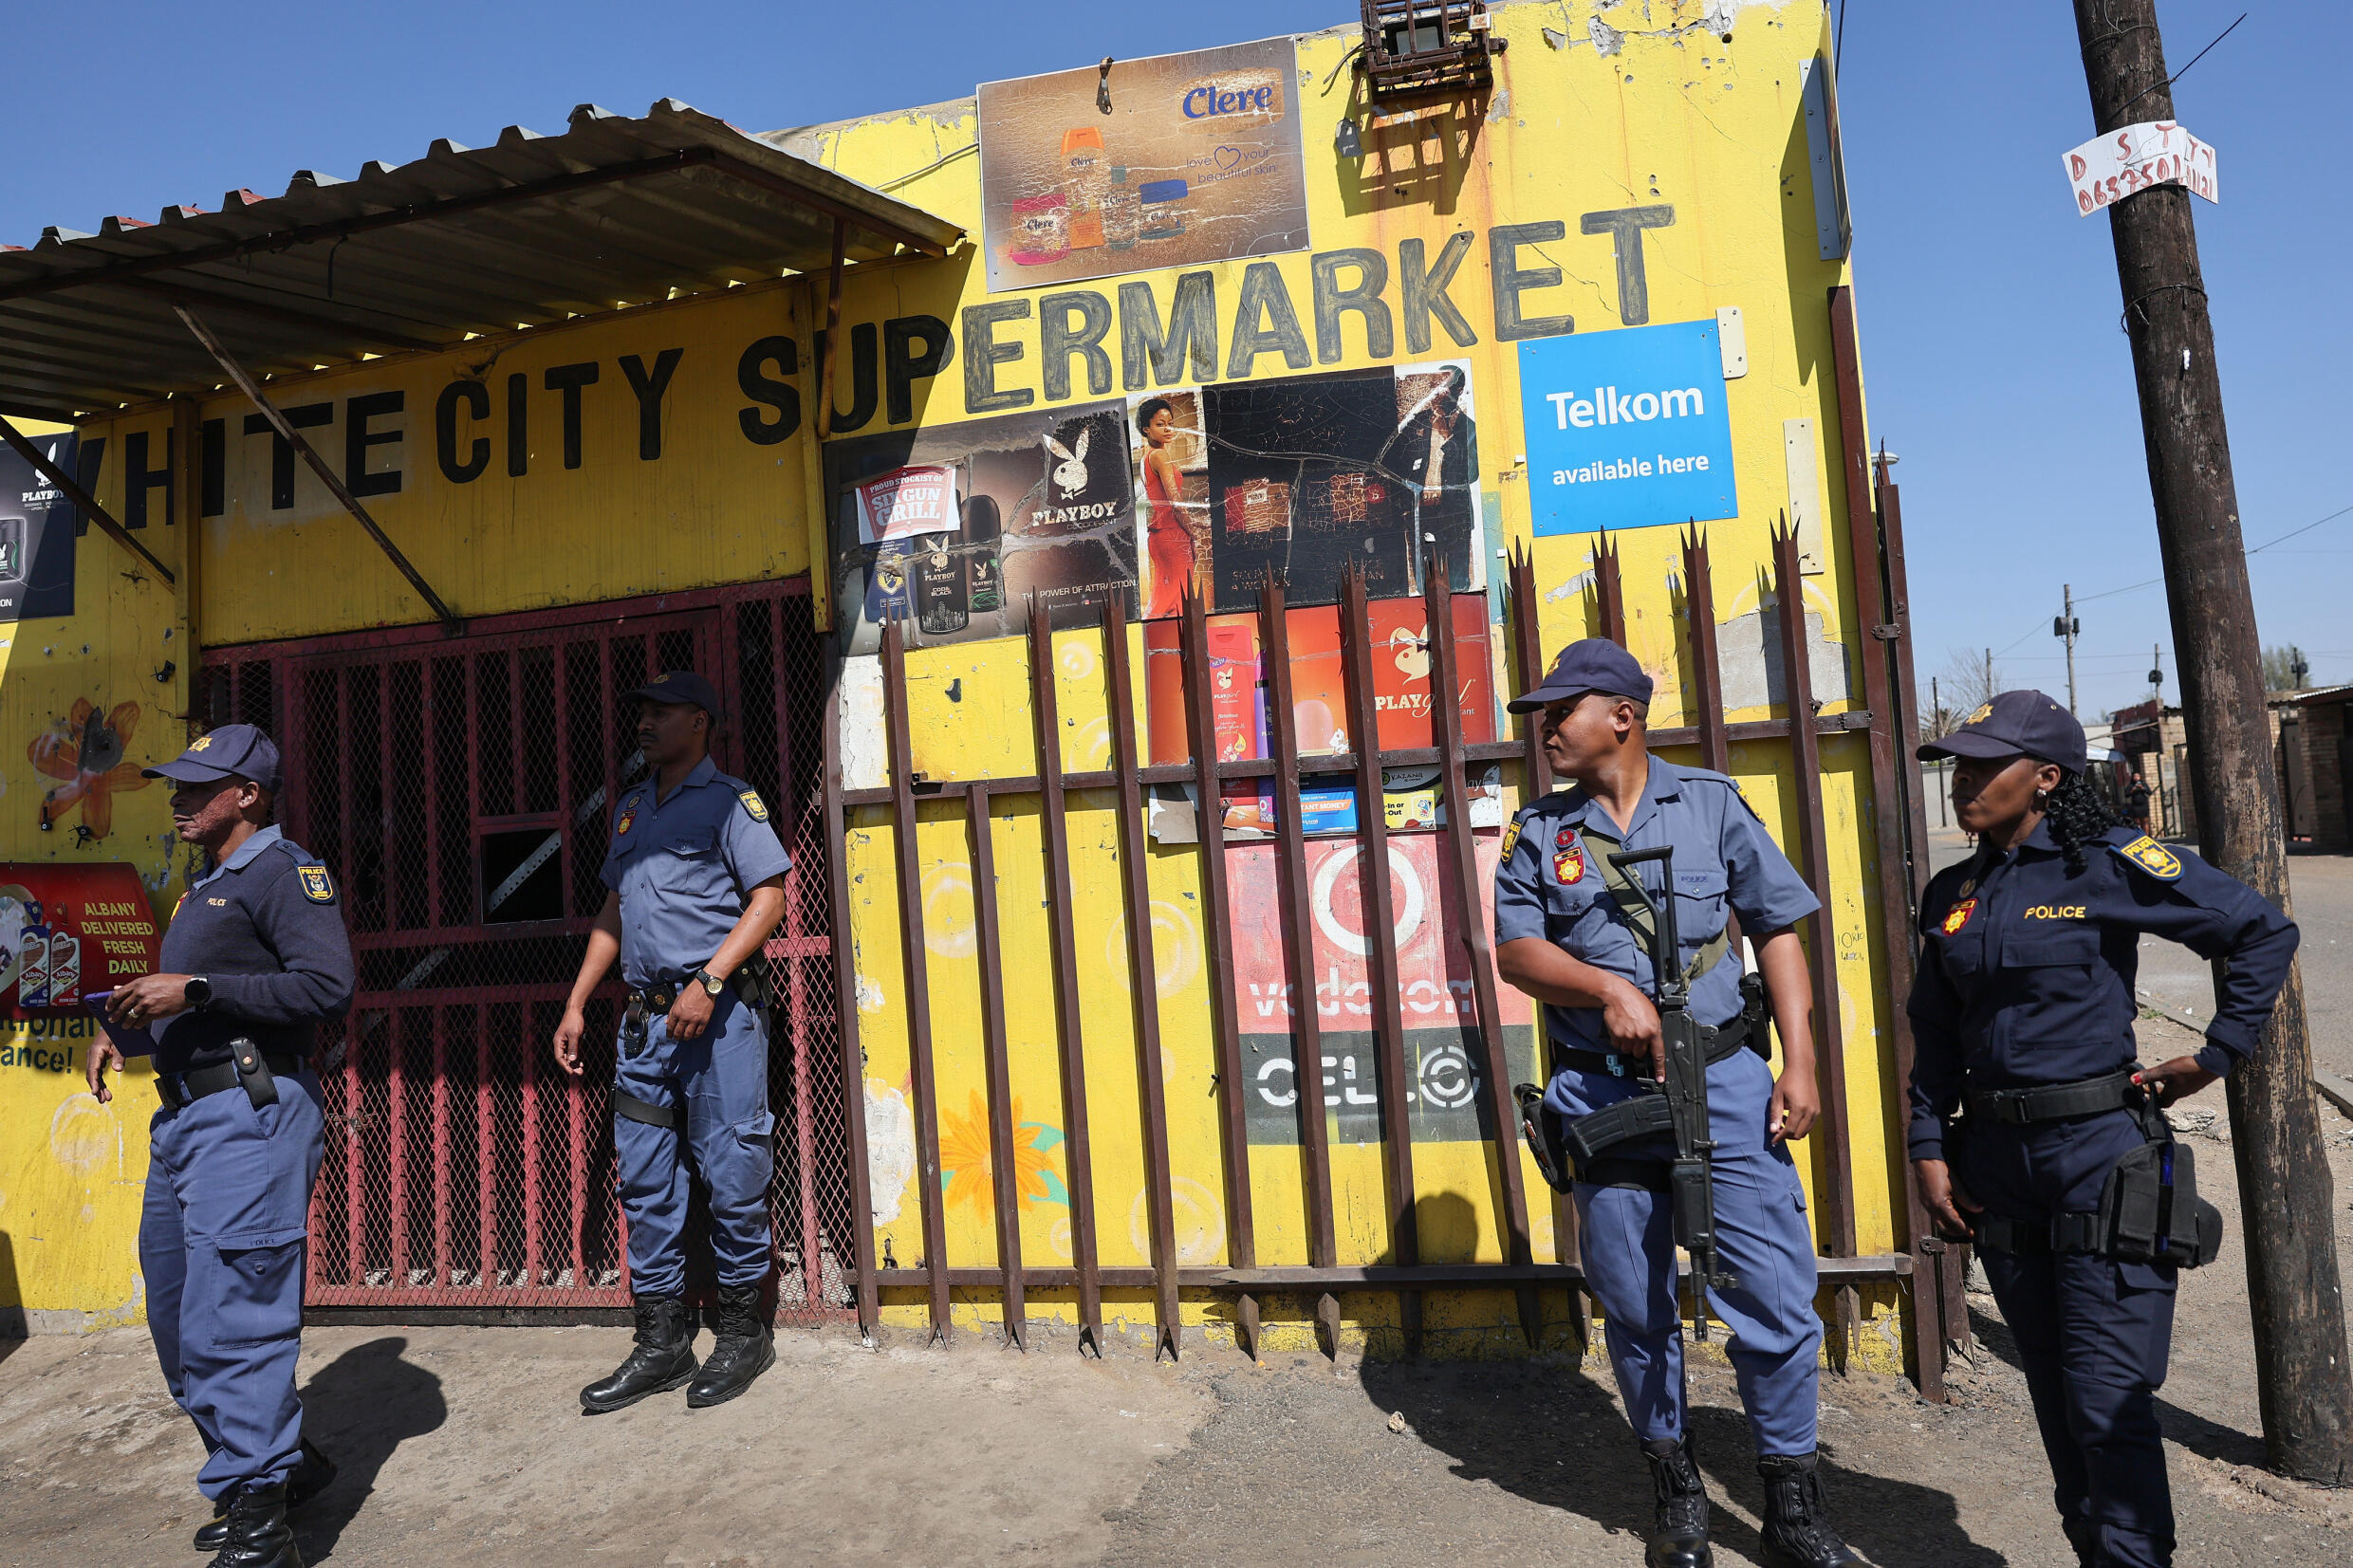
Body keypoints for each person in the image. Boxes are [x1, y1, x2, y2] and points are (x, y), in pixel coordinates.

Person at [1907, 692, 2297, 1568]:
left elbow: (2260, 929)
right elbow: (1933, 1034)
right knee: (2055, 1399)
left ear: (2045, 777)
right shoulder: (1953, 890)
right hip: (1996, 1168)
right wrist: (1929, 1149)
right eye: (1957, 763)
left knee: (2107, 1400)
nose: (1962, 778)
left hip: (2097, 1160)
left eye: (1983, 763)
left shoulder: (2110, 862)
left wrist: (2215, 1053)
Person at [1493, 640, 1862, 1568]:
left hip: (1727, 1083)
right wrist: (1602, 990)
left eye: (1557, 710)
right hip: (1602, 1095)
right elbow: (1516, 953)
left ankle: (1790, 1503)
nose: (1542, 728)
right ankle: (1677, 1493)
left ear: (1619, 714)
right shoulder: (1540, 832)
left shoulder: (1708, 806)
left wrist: (1802, 1059)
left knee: (1773, 1298)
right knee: (1633, 1304)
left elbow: (1775, 927)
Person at [86, 723, 355, 1568]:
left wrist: (195, 985)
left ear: (250, 794)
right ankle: (275, 1468)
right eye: (175, 784)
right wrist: (124, 1031)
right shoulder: (208, 883)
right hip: (185, 1120)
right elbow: (199, 1002)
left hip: (248, 1112)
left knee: (235, 1314)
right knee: (176, 1310)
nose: (178, 797)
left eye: (199, 786)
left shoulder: (283, 872)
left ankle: (262, 1521)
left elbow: (327, 985)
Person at [554, 671, 791, 1412]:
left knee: (732, 1169)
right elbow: (615, 909)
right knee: (647, 1180)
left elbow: (771, 896)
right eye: (642, 712)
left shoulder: (730, 802)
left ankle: (743, 1334)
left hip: (717, 1021)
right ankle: (660, 1344)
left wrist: (711, 980)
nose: (645, 724)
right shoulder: (631, 811)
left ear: (700, 721)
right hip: (643, 1028)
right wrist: (577, 1001)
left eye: (660, 713)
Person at [1395, 366, 1479, 591]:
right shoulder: (1415, 424)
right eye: (1435, 386)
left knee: (1458, 579)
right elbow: (1397, 464)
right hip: (1421, 512)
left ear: (1459, 389)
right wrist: (1407, 501)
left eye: (1445, 387)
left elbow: (1472, 473)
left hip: (1454, 513)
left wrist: (1447, 436)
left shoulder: (1467, 428)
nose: (1439, 392)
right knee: (1425, 580)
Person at [1138, 397, 1195, 620]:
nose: (1167, 428)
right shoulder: (1160, 455)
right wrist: (1194, 534)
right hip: (1173, 535)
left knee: (1167, 598)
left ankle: (1154, 643)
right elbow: (1176, 502)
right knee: (1176, 601)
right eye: (1160, 424)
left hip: (1160, 537)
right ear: (1146, 429)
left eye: (1170, 422)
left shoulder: (1145, 458)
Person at [2126, 770, 2153, 835]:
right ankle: (2140, 835)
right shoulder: (2130, 785)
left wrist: (2142, 788)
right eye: (2135, 776)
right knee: (2137, 821)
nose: (2136, 777)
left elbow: (2150, 792)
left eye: (2137, 776)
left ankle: (2146, 835)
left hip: (2143, 805)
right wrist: (2132, 790)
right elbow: (2126, 795)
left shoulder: (2143, 784)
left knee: (2145, 821)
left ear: (2140, 777)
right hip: (2135, 806)